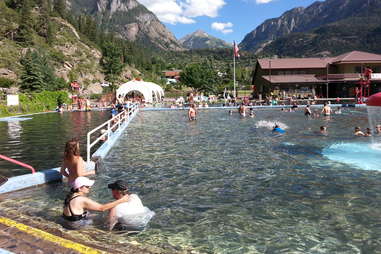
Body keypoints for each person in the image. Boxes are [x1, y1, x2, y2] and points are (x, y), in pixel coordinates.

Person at [62, 177, 129, 230]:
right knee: (103, 222)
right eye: (87, 186)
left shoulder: (71, 195)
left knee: (98, 216)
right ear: (79, 188)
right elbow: (102, 208)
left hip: (68, 221)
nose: (90, 187)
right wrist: (122, 200)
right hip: (75, 225)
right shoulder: (81, 199)